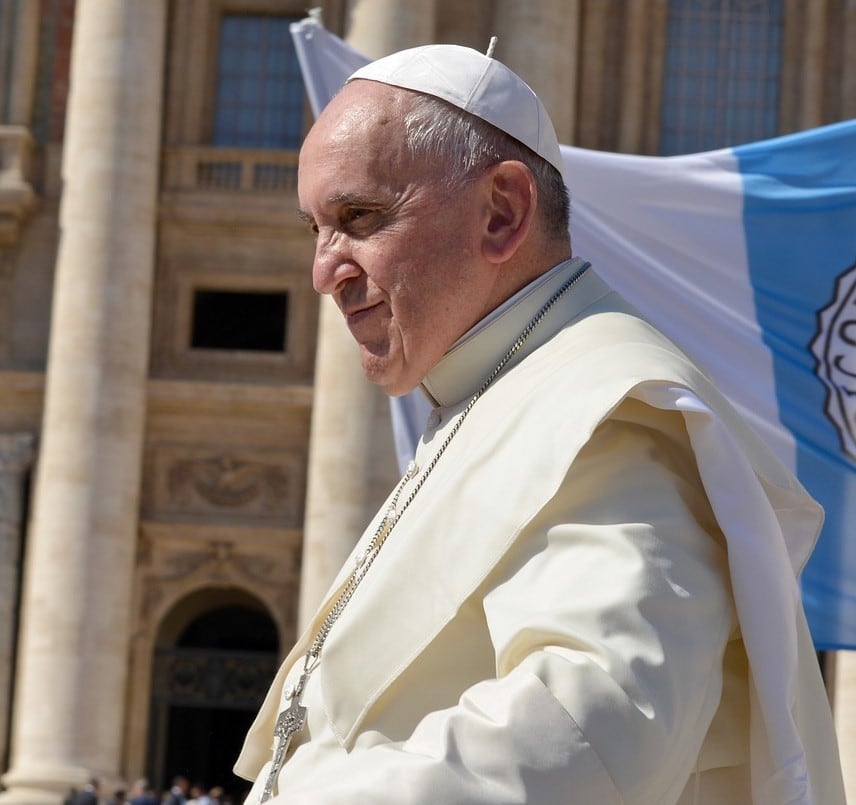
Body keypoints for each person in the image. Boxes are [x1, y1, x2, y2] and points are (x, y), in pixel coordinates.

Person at [234, 43, 845, 804]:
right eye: (316, 229)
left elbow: (592, 726)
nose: (324, 270)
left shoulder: (611, 410)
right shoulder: (491, 393)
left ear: (501, 212)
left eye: (359, 218)